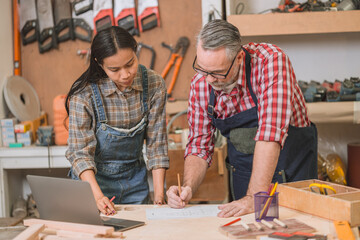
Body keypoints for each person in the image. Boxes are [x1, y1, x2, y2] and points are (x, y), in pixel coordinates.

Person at [166, 20, 317, 217]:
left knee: (296, 229)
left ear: (239, 57)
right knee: (249, 232)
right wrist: (187, 188)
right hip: (247, 176)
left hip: (292, 170)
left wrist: (254, 197)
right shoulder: (201, 83)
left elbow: (269, 134)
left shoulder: (270, 62)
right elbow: (199, 146)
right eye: (202, 69)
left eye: (218, 73)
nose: (209, 80)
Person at [65, 26, 169, 216]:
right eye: (114, 69)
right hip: (93, 184)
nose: (125, 74)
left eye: (130, 64)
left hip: (135, 182)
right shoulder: (84, 94)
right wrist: (97, 197)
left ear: (136, 51)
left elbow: (157, 146)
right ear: (100, 64)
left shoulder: (154, 84)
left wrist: (159, 196)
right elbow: (79, 153)